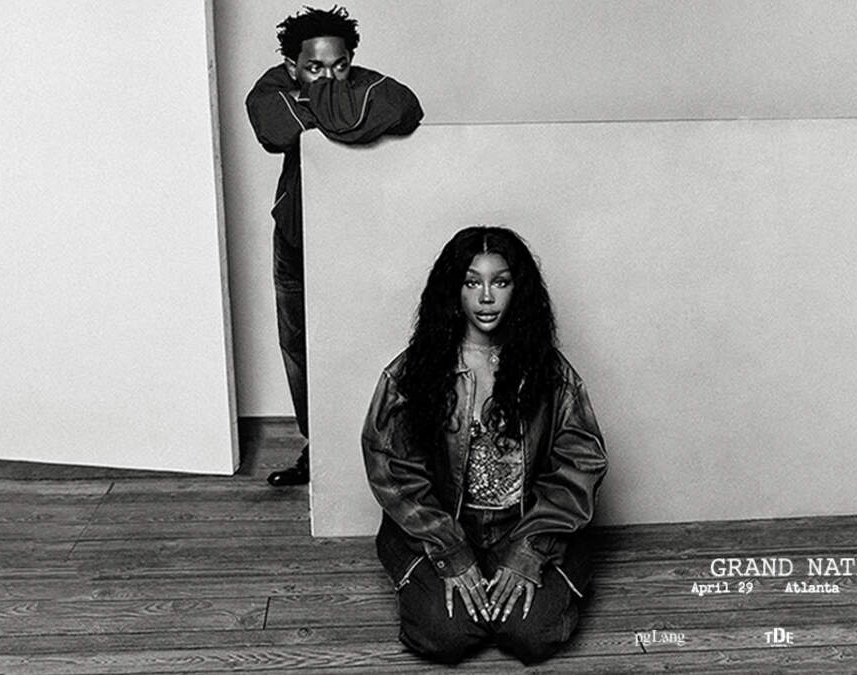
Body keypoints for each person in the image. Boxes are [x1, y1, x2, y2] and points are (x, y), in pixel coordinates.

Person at [362, 226, 608, 665]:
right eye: (472, 282)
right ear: (453, 290)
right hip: (444, 528)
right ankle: (463, 593)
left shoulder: (550, 374)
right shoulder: (412, 374)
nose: (487, 297)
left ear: (519, 289)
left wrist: (530, 549)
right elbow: (393, 469)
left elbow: (580, 464)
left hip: (525, 525)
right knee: (446, 634)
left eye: (501, 282)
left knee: (532, 635)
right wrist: (451, 551)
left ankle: (523, 587)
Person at [246, 6, 424, 486]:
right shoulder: (270, 87)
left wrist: (312, 101)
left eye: (340, 65)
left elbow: (406, 109)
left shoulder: (374, 84)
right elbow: (276, 128)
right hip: (296, 238)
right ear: (291, 66)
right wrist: (341, 106)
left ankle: (378, 454)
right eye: (314, 68)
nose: (329, 75)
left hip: (358, 239)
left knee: (367, 343)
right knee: (300, 348)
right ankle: (321, 451)